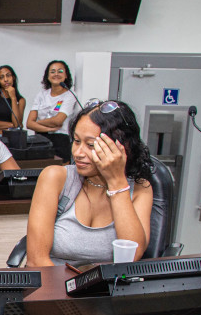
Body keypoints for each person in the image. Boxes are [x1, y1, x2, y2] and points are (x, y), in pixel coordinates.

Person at [26, 100, 154, 266]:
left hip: (106, 289)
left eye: (91, 145)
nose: (78, 153)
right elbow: (36, 261)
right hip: (53, 286)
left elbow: (132, 257)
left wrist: (117, 183)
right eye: (77, 141)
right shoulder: (55, 178)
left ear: (121, 147)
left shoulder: (139, 189)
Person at [26, 60, 80, 161]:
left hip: (61, 140)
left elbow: (58, 120)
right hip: (40, 139)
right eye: (52, 71)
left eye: (60, 71)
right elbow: (29, 123)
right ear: (47, 76)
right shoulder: (41, 94)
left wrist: (37, 124)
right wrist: (50, 129)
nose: (56, 74)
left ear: (66, 75)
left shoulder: (70, 95)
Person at [0, 65, 26, 132]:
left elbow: (17, 123)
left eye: (8, 75)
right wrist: (11, 125)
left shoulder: (21, 100)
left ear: (13, 77)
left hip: (13, 138)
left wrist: (13, 98)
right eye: (1, 77)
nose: (5, 80)